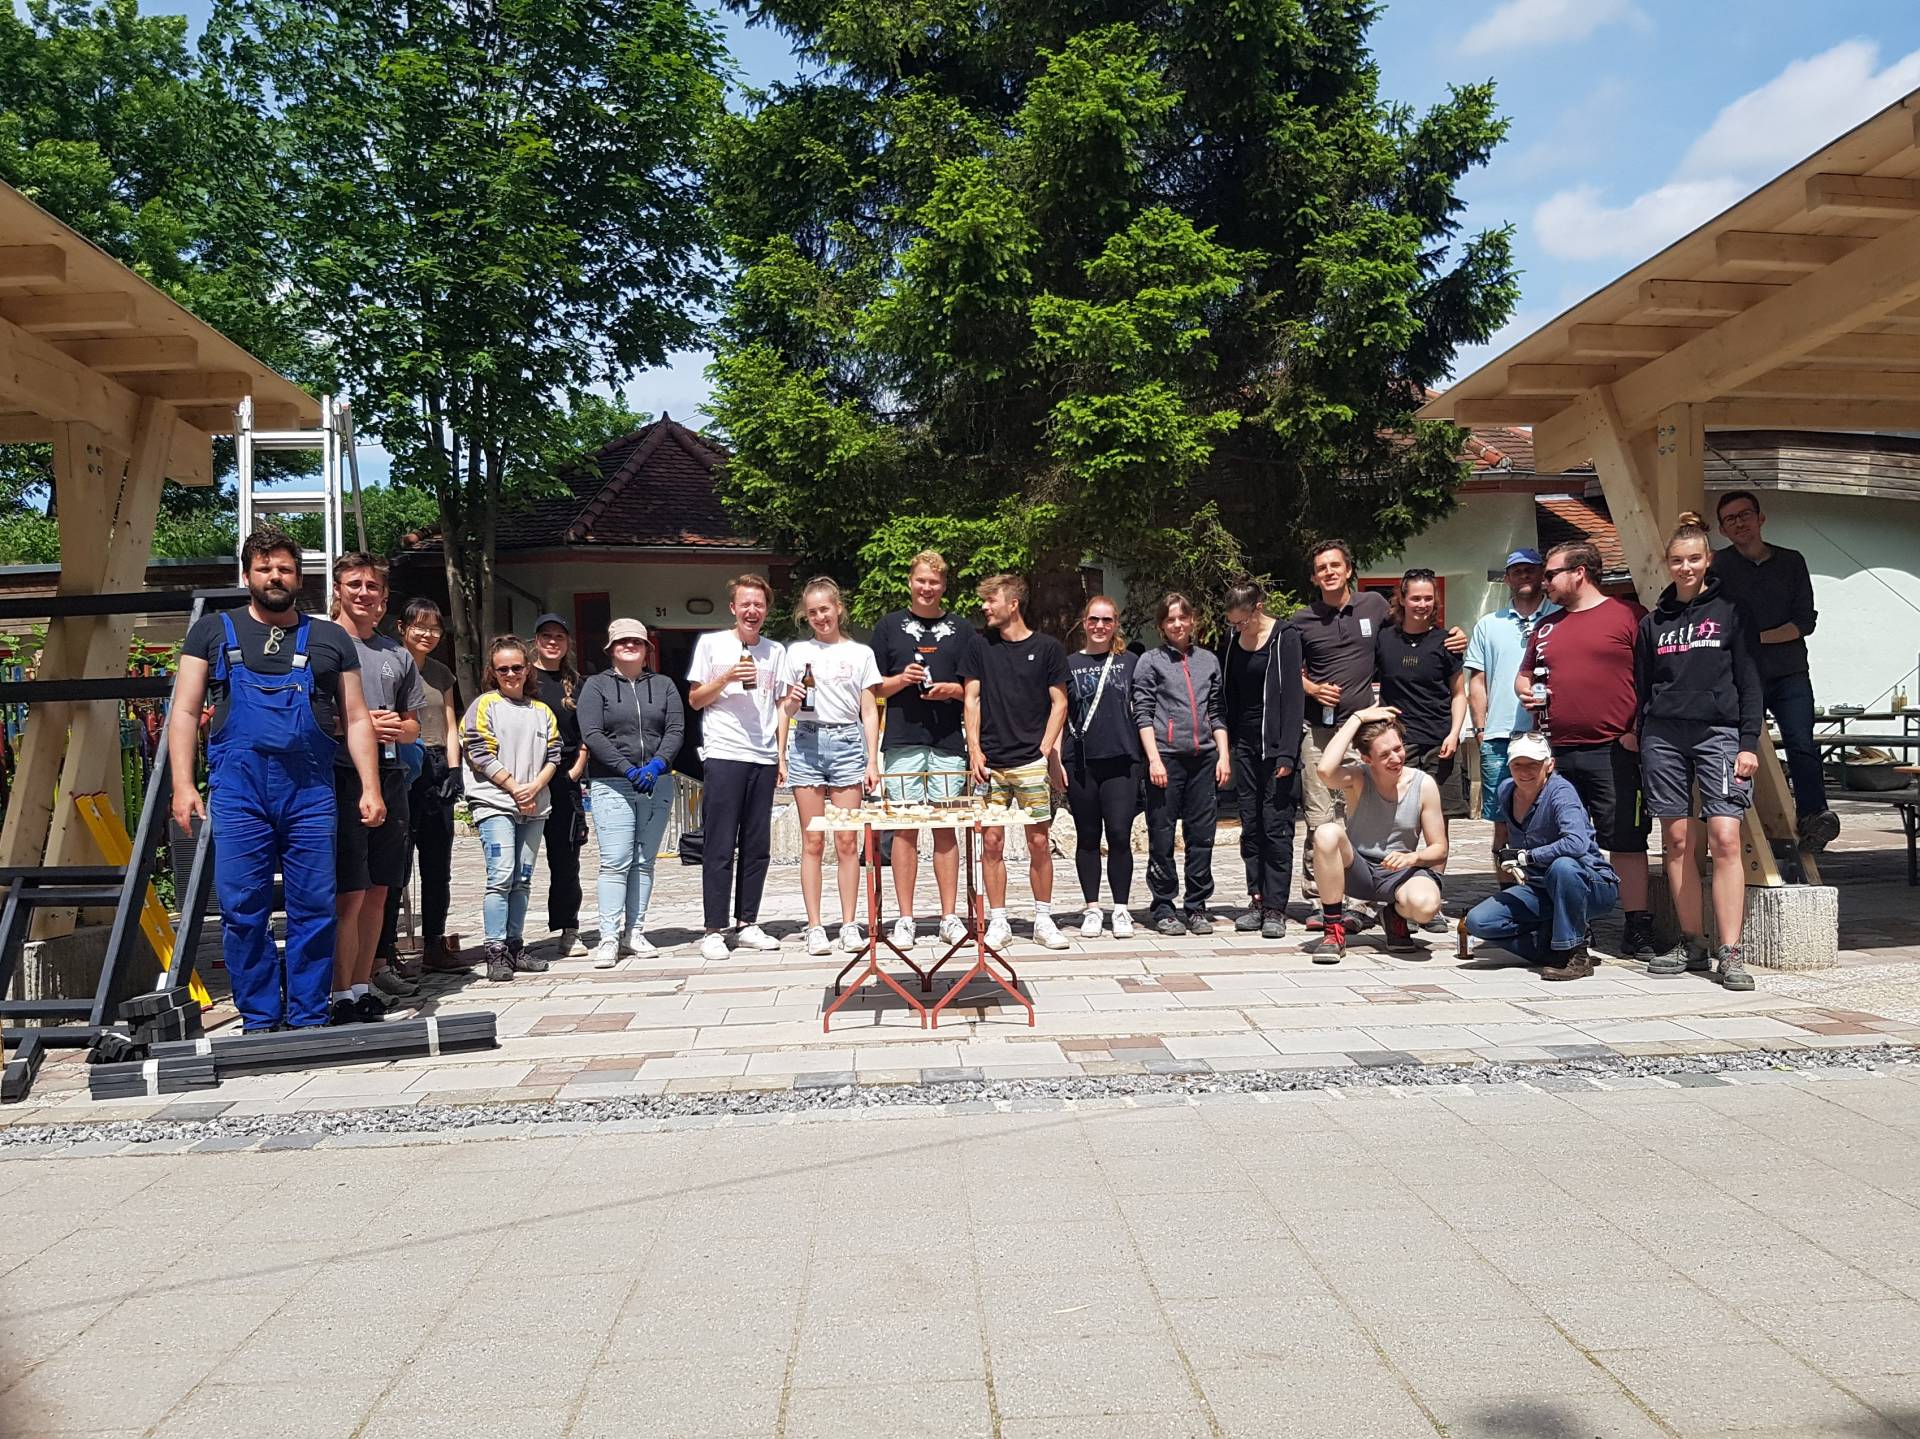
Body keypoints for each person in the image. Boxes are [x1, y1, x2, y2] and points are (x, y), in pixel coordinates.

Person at [167, 529, 380, 1034]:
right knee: (242, 905)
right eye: (264, 569)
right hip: (239, 791)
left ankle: (308, 1015)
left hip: (310, 791)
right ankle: (260, 1018)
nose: (275, 577)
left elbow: (355, 718)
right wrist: (183, 783)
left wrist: (370, 785)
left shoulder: (329, 638)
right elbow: (183, 711)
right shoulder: (212, 633)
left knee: (314, 905)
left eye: (284, 569)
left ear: (298, 577)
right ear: (246, 577)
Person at [1292, 540, 1464, 912]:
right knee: (1321, 817)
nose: (1329, 572)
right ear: (1314, 576)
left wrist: (1455, 633)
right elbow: (1286, 668)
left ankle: (1377, 896)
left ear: (1349, 570)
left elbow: (1415, 627)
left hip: (1370, 732)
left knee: (1370, 812)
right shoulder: (1301, 620)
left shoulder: (1373, 607)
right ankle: (1323, 901)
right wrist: (1312, 688)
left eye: (1335, 565)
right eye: (1322, 568)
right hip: (1322, 730)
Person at [1636, 513, 1764, 992]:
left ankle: (1730, 951)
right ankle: (1691, 941)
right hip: (1663, 737)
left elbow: (1751, 681)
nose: (1685, 567)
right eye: (1677, 560)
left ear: (1708, 561)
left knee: (1725, 838)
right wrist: (1639, 733)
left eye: (1694, 559)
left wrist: (1747, 742)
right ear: (1666, 565)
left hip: (1720, 734)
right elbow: (1642, 686)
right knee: (1676, 840)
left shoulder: (1732, 611)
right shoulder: (1654, 622)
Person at [1518, 540, 1657, 962]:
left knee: (1627, 841)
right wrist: (1524, 690)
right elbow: (1526, 675)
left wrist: (1635, 731)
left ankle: (1637, 928)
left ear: (1579, 572)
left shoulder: (1629, 616)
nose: (1545, 582)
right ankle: (1576, 925)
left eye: (1551, 574)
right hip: (1558, 753)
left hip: (1614, 751)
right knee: (1568, 841)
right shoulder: (1546, 626)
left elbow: (1653, 680)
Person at [1712, 490, 1840, 850]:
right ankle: (1733, 814)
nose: (1739, 523)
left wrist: (1754, 639)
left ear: (1760, 518)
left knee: (1801, 743)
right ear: (1722, 529)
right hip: (1741, 674)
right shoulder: (1717, 566)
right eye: (1730, 519)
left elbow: (1804, 621)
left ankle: (1815, 818)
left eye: (1745, 515)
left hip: (1789, 671)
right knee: (1739, 746)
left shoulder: (1791, 561)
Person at [327, 554, 425, 1024]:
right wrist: (363, 723)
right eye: (354, 584)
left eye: (372, 587)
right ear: (338, 590)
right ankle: (337, 990)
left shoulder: (396, 655)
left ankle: (364, 984)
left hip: (390, 776)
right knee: (349, 890)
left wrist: (392, 729)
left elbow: (412, 726)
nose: (363, 593)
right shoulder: (322, 645)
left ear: (384, 599)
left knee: (382, 889)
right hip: (339, 776)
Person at [869, 551, 974, 950]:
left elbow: (976, 689)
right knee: (906, 830)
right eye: (921, 580)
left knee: (947, 829)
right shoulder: (889, 627)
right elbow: (873, 688)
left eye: (935, 582)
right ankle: (906, 917)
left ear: (944, 586)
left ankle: (949, 916)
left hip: (948, 740)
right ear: (910, 582)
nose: (927, 588)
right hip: (902, 739)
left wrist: (953, 690)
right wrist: (901, 679)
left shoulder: (962, 629)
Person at [962, 573, 1071, 951]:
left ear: (1013, 603)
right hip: (990, 764)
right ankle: (998, 920)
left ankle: (1043, 918)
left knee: (1039, 842)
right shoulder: (979, 646)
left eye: (991, 600)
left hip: (1031, 763)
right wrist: (974, 750)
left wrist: (1045, 749)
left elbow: (1060, 703)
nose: (984, 607)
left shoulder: (1048, 648)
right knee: (991, 842)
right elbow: (971, 699)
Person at [776, 578, 882, 957]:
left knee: (847, 841)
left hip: (847, 743)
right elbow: (785, 709)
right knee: (813, 839)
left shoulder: (860, 653)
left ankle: (850, 924)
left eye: (826, 609)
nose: (820, 616)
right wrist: (782, 752)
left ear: (838, 609)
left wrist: (872, 759)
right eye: (813, 611)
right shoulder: (797, 652)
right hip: (806, 742)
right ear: (806, 614)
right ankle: (816, 925)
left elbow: (869, 710)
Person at [1462, 732, 1620, 980]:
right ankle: (1553, 946)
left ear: (1549, 765)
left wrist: (1528, 857)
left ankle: (1574, 953)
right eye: (1518, 765)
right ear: (1509, 765)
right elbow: (1503, 838)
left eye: (1533, 765)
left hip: (1591, 884)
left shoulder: (1562, 793)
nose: (1525, 771)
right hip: (1539, 886)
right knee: (1478, 922)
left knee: (1564, 866)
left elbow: (1577, 843)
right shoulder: (1506, 790)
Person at [687, 574, 787, 962]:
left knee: (757, 845)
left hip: (762, 755)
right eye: (745, 603)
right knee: (720, 843)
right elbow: (696, 699)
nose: (752, 610)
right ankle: (713, 929)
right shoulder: (711, 644)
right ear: (733, 608)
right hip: (725, 752)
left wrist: (780, 753)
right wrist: (727, 676)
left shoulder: (775, 651)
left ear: (766, 609)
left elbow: (780, 706)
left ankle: (748, 923)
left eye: (758, 604)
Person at [579, 619, 684, 966]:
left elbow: (675, 728)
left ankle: (634, 931)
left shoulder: (665, 685)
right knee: (615, 861)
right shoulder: (595, 686)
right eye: (622, 641)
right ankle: (608, 936)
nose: (629, 646)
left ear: (646, 649)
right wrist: (627, 769)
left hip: (657, 781)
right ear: (610, 648)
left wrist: (656, 765)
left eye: (636, 642)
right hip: (613, 782)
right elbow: (593, 733)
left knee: (644, 862)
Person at [1308, 706, 1447, 962]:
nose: (1396, 758)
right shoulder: (1359, 778)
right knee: (1327, 832)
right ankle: (1333, 930)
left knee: (1426, 907)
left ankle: (1394, 916)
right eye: (1385, 755)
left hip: (1401, 873)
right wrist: (1356, 718)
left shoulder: (1423, 784)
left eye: (1398, 748)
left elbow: (1439, 848)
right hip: (1357, 869)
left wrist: (1412, 858)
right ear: (1367, 759)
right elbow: (1325, 771)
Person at [376, 598, 469, 977]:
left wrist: (454, 769)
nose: (428, 635)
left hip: (434, 763)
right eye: (421, 627)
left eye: (435, 628)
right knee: (396, 862)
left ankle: (434, 942)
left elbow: (450, 724)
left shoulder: (442, 673)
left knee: (437, 862)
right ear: (402, 627)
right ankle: (385, 949)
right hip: (398, 763)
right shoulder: (390, 666)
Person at [461, 637, 562, 982]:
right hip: (495, 802)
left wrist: (534, 787)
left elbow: (554, 754)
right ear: (493, 672)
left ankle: (516, 946)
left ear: (527, 669)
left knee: (522, 877)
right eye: (502, 669)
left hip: (535, 804)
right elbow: (478, 752)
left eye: (517, 667)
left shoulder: (541, 710)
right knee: (500, 874)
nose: (511, 674)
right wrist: (515, 787)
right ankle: (495, 949)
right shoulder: (484, 705)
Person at [1132, 593, 1232, 936]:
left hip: (1204, 759)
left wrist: (1224, 756)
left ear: (1193, 621)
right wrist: (1154, 759)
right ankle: (1163, 906)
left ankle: (1197, 905)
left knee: (1201, 836)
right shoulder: (1150, 661)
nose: (1177, 624)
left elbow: (1217, 712)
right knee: (1161, 835)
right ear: (1162, 625)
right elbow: (1143, 713)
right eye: (1170, 619)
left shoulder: (1208, 661)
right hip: (1166, 759)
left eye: (1183, 618)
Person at [1377, 568, 1468, 929]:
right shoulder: (1384, 640)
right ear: (1402, 599)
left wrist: (1455, 732)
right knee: (1395, 822)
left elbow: (1459, 693)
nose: (1422, 604)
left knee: (1438, 825)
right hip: (1398, 745)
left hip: (1439, 742)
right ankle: (1394, 894)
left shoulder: (1447, 642)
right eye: (1415, 597)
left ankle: (1432, 898)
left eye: (1428, 598)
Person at [1222, 580, 1304, 940]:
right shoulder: (1231, 641)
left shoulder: (1284, 637)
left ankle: (1276, 906)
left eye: (1242, 621)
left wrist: (1287, 750)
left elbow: (1292, 698)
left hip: (1275, 745)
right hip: (1244, 744)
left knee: (1276, 825)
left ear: (1258, 608)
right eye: (1233, 623)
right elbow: (1229, 694)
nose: (1238, 628)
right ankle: (1256, 898)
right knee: (1251, 826)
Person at [1463, 549, 1557, 852]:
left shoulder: (1559, 617)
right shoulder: (1488, 624)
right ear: (1507, 579)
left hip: (1547, 734)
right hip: (1500, 735)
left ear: (1542, 573)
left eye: (1530, 569)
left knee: (1550, 816)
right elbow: (1477, 680)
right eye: (1517, 571)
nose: (1524, 576)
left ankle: (1545, 890)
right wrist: (1480, 728)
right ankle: (1508, 895)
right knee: (1502, 822)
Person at [1063, 595, 1142, 939]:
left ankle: (1121, 908)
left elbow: (1143, 711)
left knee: (1121, 835)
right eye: (1093, 619)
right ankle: (1093, 908)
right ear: (1083, 623)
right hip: (1081, 761)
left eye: (1106, 621)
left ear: (1115, 625)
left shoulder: (1130, 662)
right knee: (1088, 837)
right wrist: (1054, 758)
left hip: (1122, 759)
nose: (1099, 626)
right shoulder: (1067, 664)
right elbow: (1057, 713)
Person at [528, 613, 588, 957]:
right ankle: (510, 936)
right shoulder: (522, 676)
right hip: (527, 774)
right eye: (546, 636)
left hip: (565, 774)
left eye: (559, 637)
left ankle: (569, 927)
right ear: (536, 640)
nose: (552, 642)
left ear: (567, 644)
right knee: (519, 859)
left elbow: (587, 731)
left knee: (566, 858)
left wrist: (578, 768)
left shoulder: (577, 683)